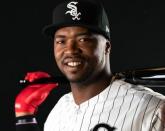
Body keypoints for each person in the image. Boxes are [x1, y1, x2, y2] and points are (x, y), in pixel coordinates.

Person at [14, 0, 165, 131]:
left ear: (107, 46)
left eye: (83, 39)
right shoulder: (58, 112)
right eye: (61, 41)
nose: (70, 49)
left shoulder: (152, 108)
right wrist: (25, 117)